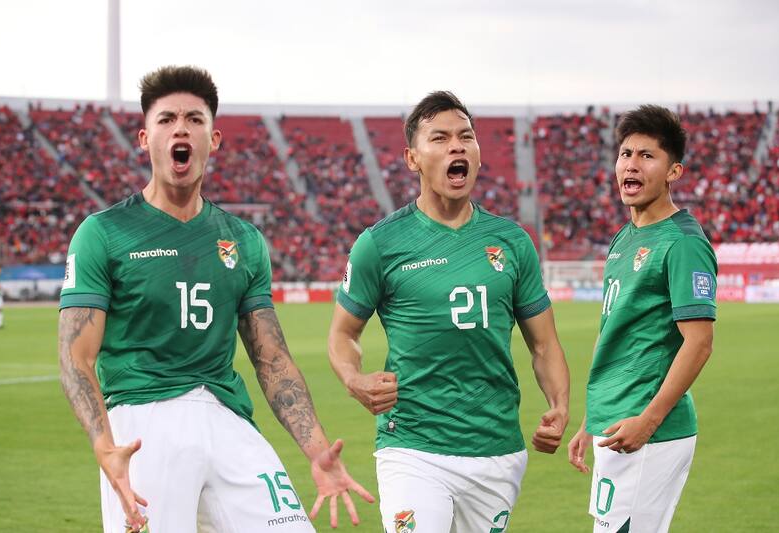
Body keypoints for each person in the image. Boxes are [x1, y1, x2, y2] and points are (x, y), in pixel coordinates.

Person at [58, 65, 373, 533]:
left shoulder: (243, 240)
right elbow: (75, 355)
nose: (180, 128)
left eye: (194, 119)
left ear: (215, 138)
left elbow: (271, 358)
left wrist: (317, 451)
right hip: (144, 424)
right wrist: (106, 446)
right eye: (166, 120)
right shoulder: (103, 233)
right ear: (144, 139)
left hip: (226, 416)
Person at [327, 91, 570, 533]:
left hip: (496, 447)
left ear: (478, 155)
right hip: (412, 445)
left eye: (466, 137)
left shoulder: (512, 242)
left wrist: (560, 404)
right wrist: (353, 379)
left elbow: (544, 342)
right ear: (413, 158)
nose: (457, 146)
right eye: (439, 138)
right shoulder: (380, 244)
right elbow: (343, 334)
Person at [567, 105, 717, 533]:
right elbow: (614, 333)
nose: (631, 164)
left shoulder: (683, 242)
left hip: (648, 430)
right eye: (625, 153)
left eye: (647, 155)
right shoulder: (625, 236)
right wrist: (589, 420)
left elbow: (699, 343)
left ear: (674, 171)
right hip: (614, 422)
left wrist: (648, 422)